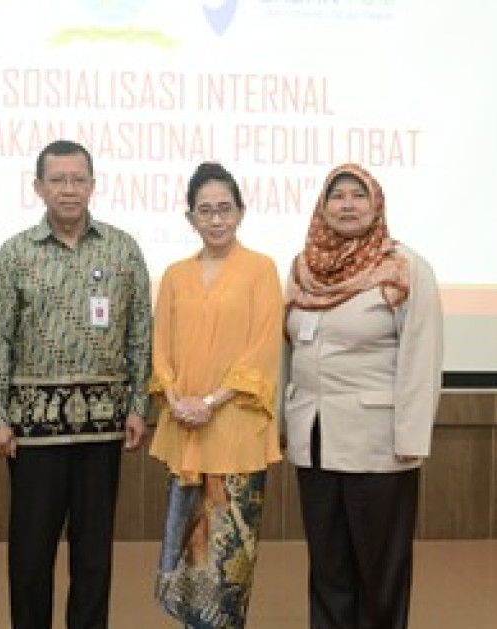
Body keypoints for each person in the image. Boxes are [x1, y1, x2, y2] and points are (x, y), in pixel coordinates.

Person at [0, 139, 152, 629]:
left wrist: (138, 404)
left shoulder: (122, 249)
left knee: (93, 557)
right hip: (33, 433)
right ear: (39, 187)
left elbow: (141, 334)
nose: (69, 189)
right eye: (58, 180)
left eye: (78, 179)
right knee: (31, 556)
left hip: (103, 426)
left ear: (93, 185)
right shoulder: (15, 253)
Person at [283, 163, 443, 629]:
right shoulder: (303, 267)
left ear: (376, 205)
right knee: (328, 564)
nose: (347, 205)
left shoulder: (404, 267)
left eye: (358, 195)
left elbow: (422, 356)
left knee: (379, 568)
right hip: (314, 439)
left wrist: (411, 439)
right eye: (337, 196)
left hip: (378, 443)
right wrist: (281, 424)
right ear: (323, 207)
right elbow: (286, 350)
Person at [149, 162, 284, 629]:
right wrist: (176, 398)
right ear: (190, 217)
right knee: (186, 564)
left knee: (226, 570)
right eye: (205, 210)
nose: (216, 218)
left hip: (236, 432)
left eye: (225, 208)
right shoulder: (175, 275)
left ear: (241, 212)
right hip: (185, 431)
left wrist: (209, 402)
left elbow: (262, 350)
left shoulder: (261, 270)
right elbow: (160, 349)